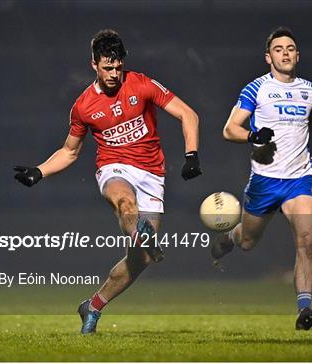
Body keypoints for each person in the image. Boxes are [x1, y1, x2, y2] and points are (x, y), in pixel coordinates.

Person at [13, 29, 202, 333]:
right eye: (107, 68)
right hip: (113, 168)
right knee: (125, 203)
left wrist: (191, 155)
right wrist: (40, 171)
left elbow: (188, 114)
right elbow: (69, 151)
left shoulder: (140, 83)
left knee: (139, 261)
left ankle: (94, 305)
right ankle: (140, 233)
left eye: (118, 67)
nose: (114, 74)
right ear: (94, 65)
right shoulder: (84, 106)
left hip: (152, 174)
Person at [211, 27, 312, 330]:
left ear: (298, 55)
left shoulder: (310, 89)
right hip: (265, 180)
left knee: (307, 241)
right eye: (279, 49)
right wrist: (254, 135)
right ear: (268, 57)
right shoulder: (256, 88)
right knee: (247, 242)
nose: (285, 53)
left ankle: (304, 309)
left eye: (291, 48)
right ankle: (231, 237)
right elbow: (229, 129)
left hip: (300, 179)